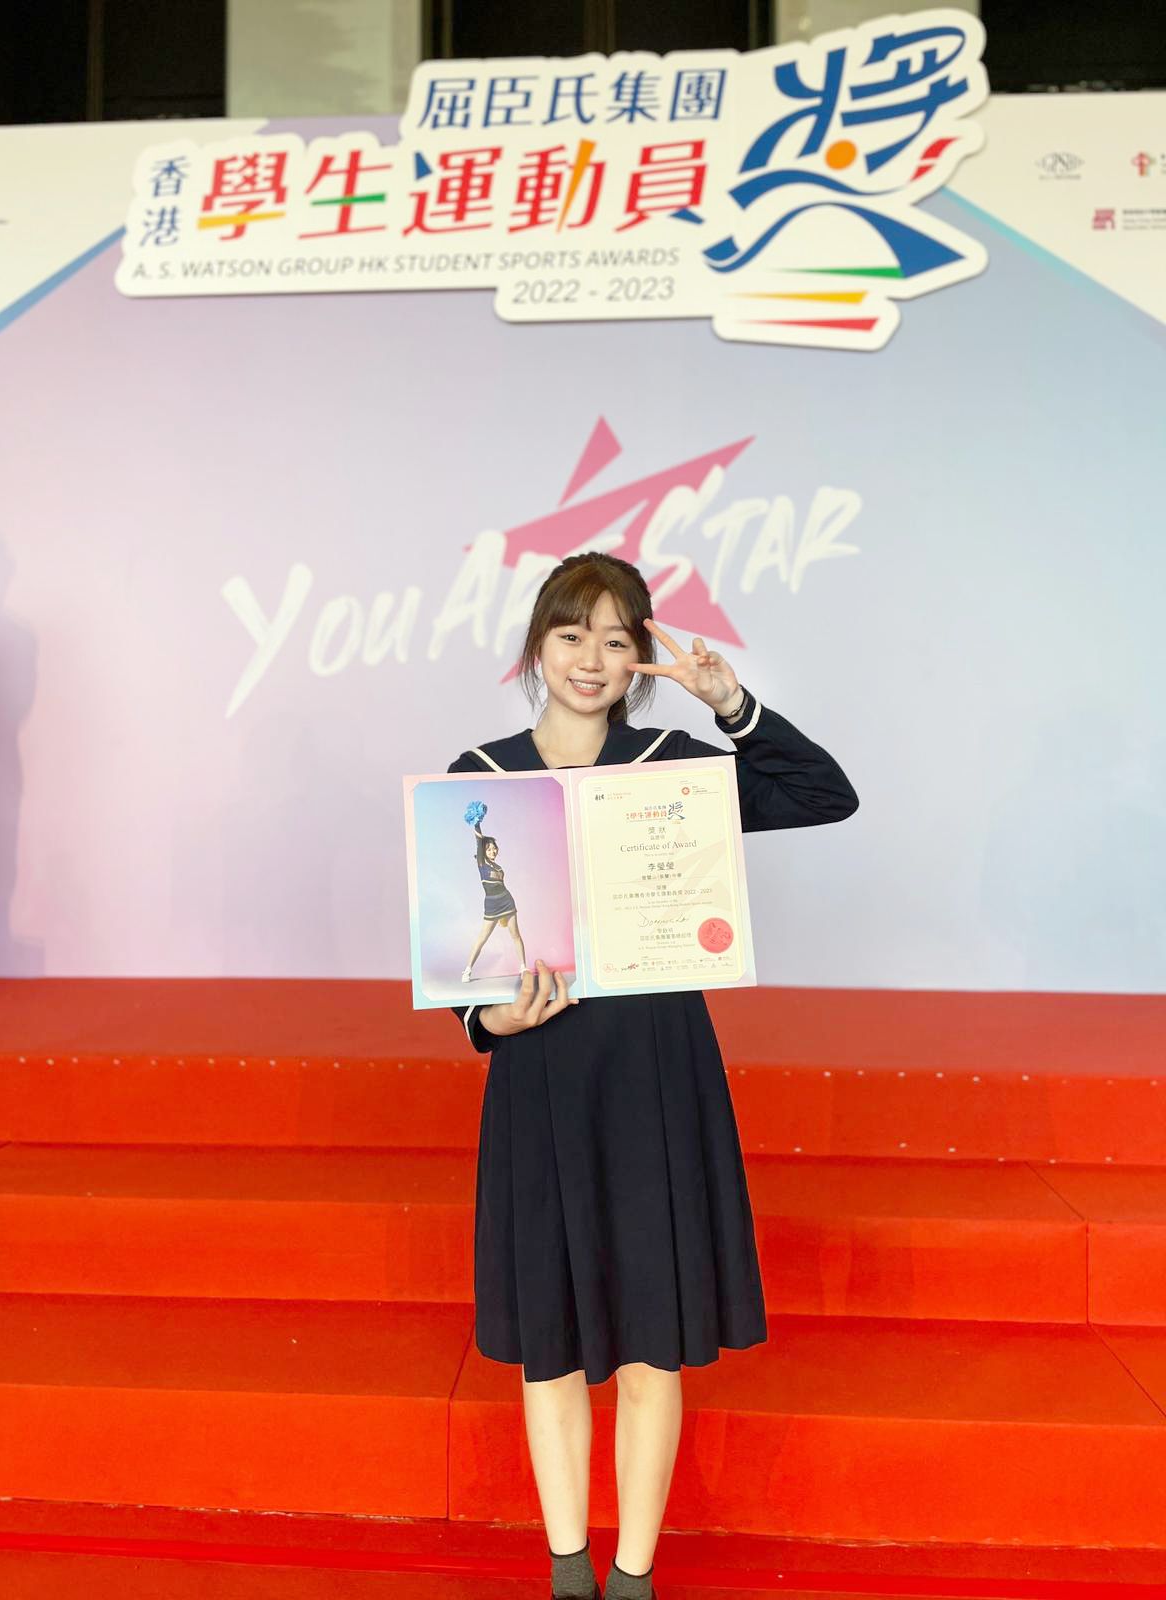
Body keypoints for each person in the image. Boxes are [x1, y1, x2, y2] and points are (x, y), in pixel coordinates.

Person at [446, 552, 858, 1600]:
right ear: (536, 647)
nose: (591, 658)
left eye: (616, 639)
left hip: (657, 1077)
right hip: (540, 1074)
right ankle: (567, 1571)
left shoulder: (675, 764)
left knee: (649, 1347)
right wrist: (488, 1019)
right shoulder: (481, 776)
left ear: (639, 659)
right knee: (549, 1346)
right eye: (571, 634)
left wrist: (732, 705)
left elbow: (825, 795)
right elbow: (460, 961)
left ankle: (633, 1576)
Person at [461, 812, 530, 982]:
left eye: (494, 848)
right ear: (483, 852)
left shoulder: (498, 867)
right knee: (482, 938)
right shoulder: (482, 863)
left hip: (507, 902)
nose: (493, 851)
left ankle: (523, 967)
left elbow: (501, 886)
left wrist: (504, 918)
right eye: (489, 849)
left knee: (516, 935)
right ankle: (467, 970)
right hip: (492, 905)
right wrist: (477, 823)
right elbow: (479, 840)